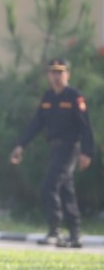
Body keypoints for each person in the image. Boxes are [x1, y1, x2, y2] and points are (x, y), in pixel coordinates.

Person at [9, 59, 93, 248]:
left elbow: (85, 126)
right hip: (55, 148)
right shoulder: (48, 97)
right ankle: (75, 235)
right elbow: (37, 123)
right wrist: (21, 145)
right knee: (66, 190)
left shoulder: (74, 96)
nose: (56, 76)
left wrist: (87, 152)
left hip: (70, 148)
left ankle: (55, 231)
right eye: (53, 72)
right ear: (48, 75)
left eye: (60, 72)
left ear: (67, 74)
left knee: (49, 186)